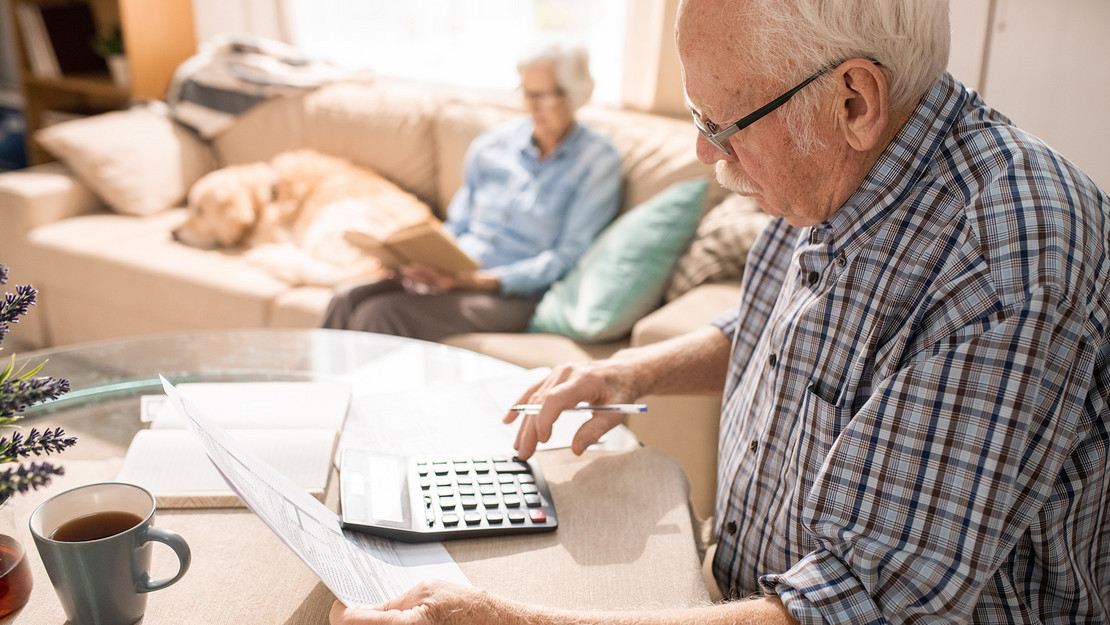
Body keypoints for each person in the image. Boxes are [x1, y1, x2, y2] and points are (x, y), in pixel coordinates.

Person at [330, 0, 1110, 623]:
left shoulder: (1009, 249)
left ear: (854, 99)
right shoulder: (830, 165)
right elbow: (774, 333)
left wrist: (503, 624)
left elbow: (860, 607)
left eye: (720, 122)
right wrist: (624, 371)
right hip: (742, 585)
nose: (706, 152)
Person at [321, 43, 621, 341]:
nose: (531, 105)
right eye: (526, 93)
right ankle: (317, 389)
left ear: (574, 93)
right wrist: (417, 261)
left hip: (514, 293)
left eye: (542, 95)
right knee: (345, 298)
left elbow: (568, 257)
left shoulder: (596, 163)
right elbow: (458, 226)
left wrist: (478, 282)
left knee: (381, 313)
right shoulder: (493, 145)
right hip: (455, 274)